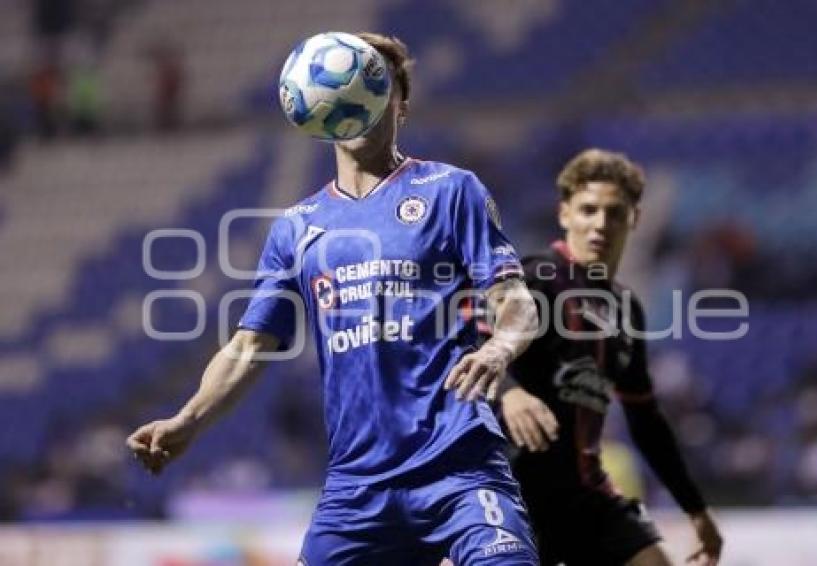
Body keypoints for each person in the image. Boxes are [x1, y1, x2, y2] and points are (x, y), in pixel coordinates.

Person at [127, 33, 540, 565]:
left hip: (459, 467)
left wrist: (499, 349)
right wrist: (189, 420)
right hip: (357, 488)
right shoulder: (297, 228)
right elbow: (250, 347)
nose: (354, 93)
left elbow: (517, 302)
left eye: (376, 85)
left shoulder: (449, 190)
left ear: (401, 106)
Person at [495, 149, 723, 565]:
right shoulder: (534, 279)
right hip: (513, 492)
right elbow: (465, 347)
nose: (600, 224)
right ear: (565, 214)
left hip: (586, 495)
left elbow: (645, 418)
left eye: (615, 212)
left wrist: (696, 508)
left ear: (634, 219)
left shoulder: (625, 310)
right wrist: (509, 392)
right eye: (588, 210)